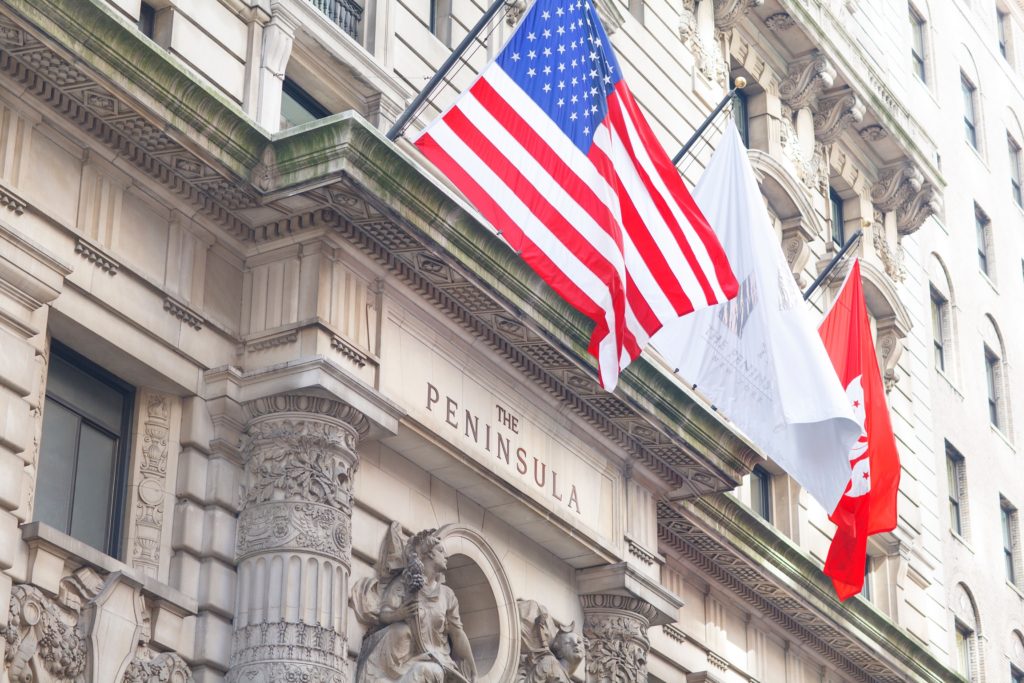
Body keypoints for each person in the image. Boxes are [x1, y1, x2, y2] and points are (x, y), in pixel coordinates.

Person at [354, 528, 477, 683]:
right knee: (401, 632)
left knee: (430, 671)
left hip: (439, 659)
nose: (445, 556)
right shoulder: (404, 583)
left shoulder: (447, 595)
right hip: (404, 658)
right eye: (440, 551)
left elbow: (457, 634)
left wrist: (472, 668)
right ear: (430, 554)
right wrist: (400, 614)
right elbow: (384, 614)